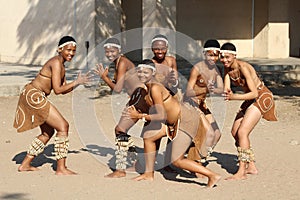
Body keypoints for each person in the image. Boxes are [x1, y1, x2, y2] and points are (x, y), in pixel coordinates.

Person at [125, 59, 221, 188]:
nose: (142, 74)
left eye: (146, 72)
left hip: (185, 120)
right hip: (174, 123)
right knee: (148, 136)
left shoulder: (154, 88)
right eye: (140, 72)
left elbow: (160, 115)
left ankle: (212, 175)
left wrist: (139, 116)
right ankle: (148, 174)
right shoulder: (148, 88)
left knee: (177, 160)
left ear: (152, 73)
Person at [13, 36, 90, 175]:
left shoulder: (61, 66)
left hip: (33, 95)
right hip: (34, 95)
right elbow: (59, 89)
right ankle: (60, 169)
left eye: (73, 51)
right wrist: (77, 82)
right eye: (68, 50)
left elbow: (61, 90)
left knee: (48, 132)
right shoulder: (55, 63)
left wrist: (78, 82)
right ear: (60, 49)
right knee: (63, 126)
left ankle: (25, 164)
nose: (71, 53)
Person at [220, 42, 277, 180]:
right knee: (235, 132)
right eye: (222, 57)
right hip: (250, 99)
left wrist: (234, 97)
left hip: (261, 96)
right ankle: (251, 166)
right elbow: (226, 88)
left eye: (228, 57)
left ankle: (242, 171)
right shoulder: (227, 69)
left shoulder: (243, 67)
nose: (225, 60)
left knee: (242, 132)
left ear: (234, 56)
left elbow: (254, 94)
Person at [94, 37, 148, 178]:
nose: (109, 54)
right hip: (136, 98)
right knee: (121, 130)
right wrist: (107, 78)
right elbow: (121, 84)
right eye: (107, 51)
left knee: (120, 129)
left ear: (120, 51)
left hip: (139, 97)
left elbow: (117, 89)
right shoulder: (119, 62)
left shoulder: (122, 62)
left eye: (113, 51)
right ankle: (136, 161)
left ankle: (120, 170)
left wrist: (104, 78)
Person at [184, 39, 223, 161]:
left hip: (202, 105)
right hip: (190, 104)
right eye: (210, 55)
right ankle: (196, 159)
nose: (213, 58)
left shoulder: (216, 70)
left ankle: (201, 155)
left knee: (217, 134)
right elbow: (188, 91)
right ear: (204, 54)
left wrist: (213, 89)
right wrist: (205, 89)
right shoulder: (197, 68)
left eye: (215, 55)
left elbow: (220, 89)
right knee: (209, 133)